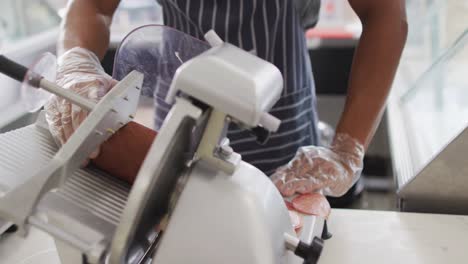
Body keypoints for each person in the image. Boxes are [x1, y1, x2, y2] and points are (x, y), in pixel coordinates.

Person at [45, 0, 407, 197]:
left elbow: (384, 12)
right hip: (180, 119)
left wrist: (346, 149)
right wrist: (75, 65)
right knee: (177, 219)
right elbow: (92, 6)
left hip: (284, 133)